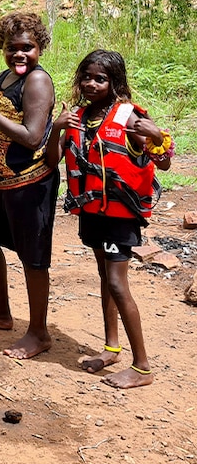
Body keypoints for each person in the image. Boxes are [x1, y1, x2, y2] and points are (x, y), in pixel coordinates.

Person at [46, 49, 170, 389]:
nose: (90, 83)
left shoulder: (129, 118)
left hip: (120, 216)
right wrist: (57, 129)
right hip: (93, 212)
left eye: (99, 79)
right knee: (104, 277)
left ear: (114, 83)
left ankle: (142, 367)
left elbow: (164, 164)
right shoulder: (79, 117)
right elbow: (51, 160)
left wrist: (157, 137)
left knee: (116, 282)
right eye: (86, 77)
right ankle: (111, 348)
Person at [0, 12, 59, 360]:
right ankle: (1, 312)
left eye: (28, 48)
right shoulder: (6, 77)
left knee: (33, 258)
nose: (20, 55)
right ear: (3, 48)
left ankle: (39, 332)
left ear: (40, 48)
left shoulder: (37, 82)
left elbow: (33, 138)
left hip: (30, 183)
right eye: (12, 48)